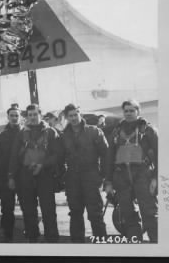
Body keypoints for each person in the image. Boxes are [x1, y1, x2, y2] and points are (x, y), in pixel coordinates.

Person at [104, 99, 158, 242]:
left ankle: (158, 248)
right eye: (126, 111)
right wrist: (108, 181)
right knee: (128, 215)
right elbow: (109, 159)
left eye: (132, 110)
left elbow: (160, 155)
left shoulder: (148, 130)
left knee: (149, 213)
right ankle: (136, 247)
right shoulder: (116, 132)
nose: (128, 113)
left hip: (143, 175)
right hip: (122, 177)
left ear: (138, 112)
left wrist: (155, 178)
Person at [8, 104, 60, 243]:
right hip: (26, 175)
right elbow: (14, 156)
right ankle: (32, 237)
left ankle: (52, 239)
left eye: (35, 114)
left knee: (48, 209)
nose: (32, 117)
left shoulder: (51, 132)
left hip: (45, 175)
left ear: (40, 115)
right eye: (30, 115)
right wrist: (11, 176)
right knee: (28, 209)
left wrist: (43, 165)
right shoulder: (21, 134)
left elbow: (56, 155)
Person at [61, 103, 108, 243]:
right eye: (70, 116)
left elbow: (106, 154)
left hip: (91, 176)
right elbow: (59, 157)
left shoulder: (94, 131)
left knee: (95, 214)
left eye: (76, 114)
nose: (74, 118)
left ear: (80, 114)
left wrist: (103, 176)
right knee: (75, 214)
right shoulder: (63, 136)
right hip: (72, 178)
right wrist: (63, 176)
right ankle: (77, 248)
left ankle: (102, 248)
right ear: (67, 117)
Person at [0, 103, 22, 242]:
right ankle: (7, 235)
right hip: (5, 177)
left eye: (16, 115)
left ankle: (30, 233)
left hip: (23, 176)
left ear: (20, 117)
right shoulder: (2, 136)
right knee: (7, 209)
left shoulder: (25, 133)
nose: (14, 118)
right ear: (8, 117)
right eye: (12, 116)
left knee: (28, 207)